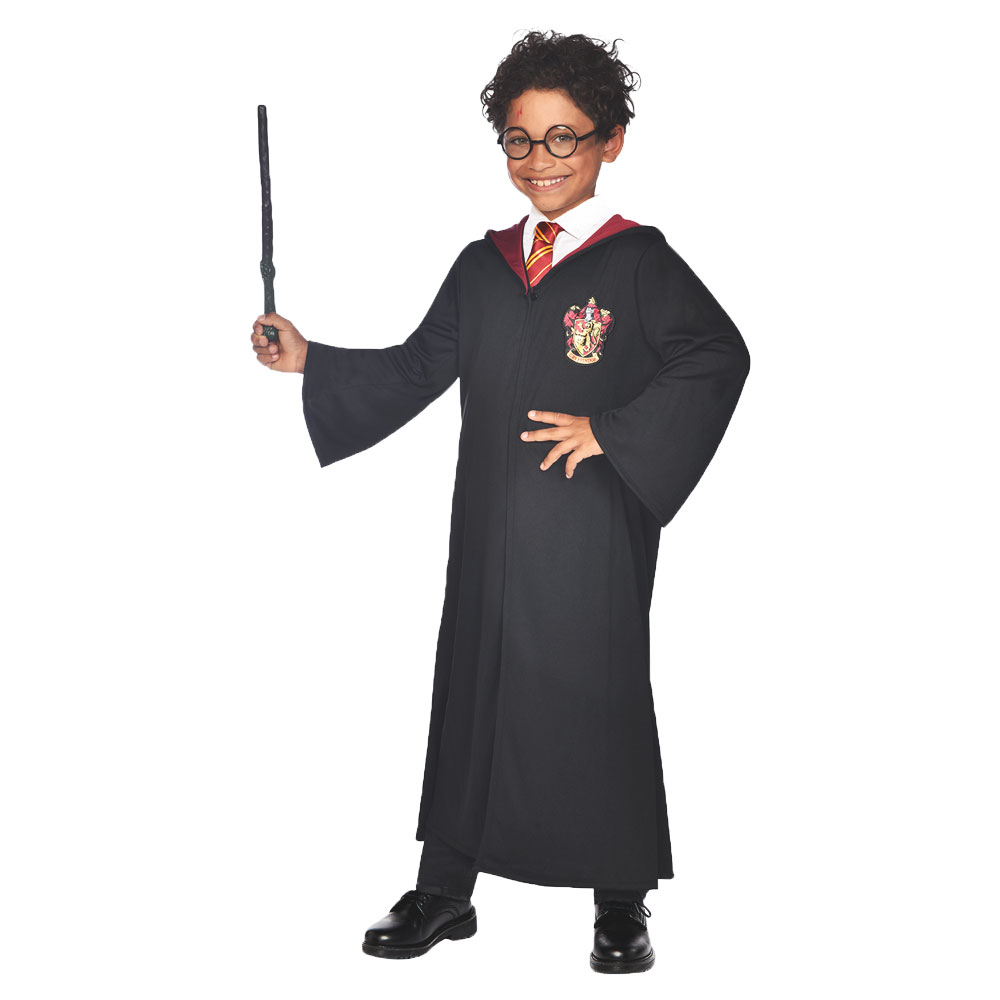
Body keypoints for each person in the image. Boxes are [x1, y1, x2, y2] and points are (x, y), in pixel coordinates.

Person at [249, 29, 750, 974]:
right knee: (472, 685)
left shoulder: (637, 262)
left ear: (611, 140)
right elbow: (417, 367)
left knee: (597, 690)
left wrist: (616, 434)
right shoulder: (483, 267)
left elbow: (719, 354)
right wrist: (311, 358)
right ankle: (446, 887)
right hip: (488, 525)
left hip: (590, 529)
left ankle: (620, 895)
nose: (539, 159)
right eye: (520, 139)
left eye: (564, 137)